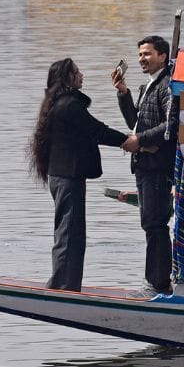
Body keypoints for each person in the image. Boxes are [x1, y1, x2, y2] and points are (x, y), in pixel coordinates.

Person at [30, 58, 137, 292]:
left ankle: (64, 283)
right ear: (68, 78)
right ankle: (64, 286)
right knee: (70, 234)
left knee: (69, 231)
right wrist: (128, 142)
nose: (82, 75)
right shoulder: (69, 105)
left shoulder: (57, 103)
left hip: (62, 176)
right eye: (77, 72)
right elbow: (97, 130)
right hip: (67, 177)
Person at [112, 35, 176, 296]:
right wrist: (123, 92)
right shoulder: (149, 85)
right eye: (140, 55)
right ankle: (157, 281)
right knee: (151, 223)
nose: (142, 59)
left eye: (147, 54)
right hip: (145, 164)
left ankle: (159, 283)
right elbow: (135, 122)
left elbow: (173, 125)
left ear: (162, 56)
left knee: (155, 223)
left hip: (158, 165)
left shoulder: (168, 84)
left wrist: (141, 140)